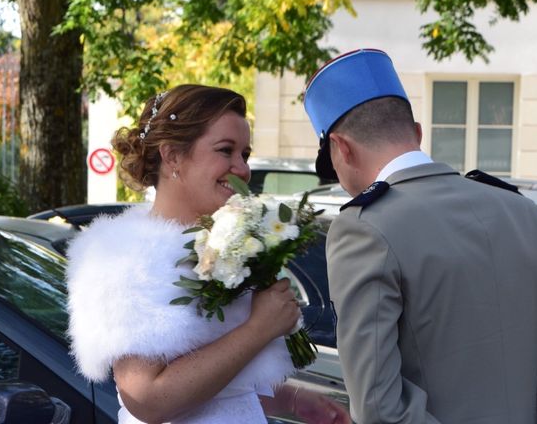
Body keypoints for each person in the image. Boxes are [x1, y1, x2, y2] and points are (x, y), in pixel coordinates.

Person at [303, 49, 537, 424]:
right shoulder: (524, 212)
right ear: (417, 133)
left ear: (341, 148)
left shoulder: (364, 227)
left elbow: (379, 406)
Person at [66, 84, 351, 424]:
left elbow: (214, 384)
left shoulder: (218, 244)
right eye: (225, 150)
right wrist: (259, 328)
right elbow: (147, 398)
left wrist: (293, 400)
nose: (243, 169)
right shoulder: (128, 259)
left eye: (244, 154)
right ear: (172, 155)